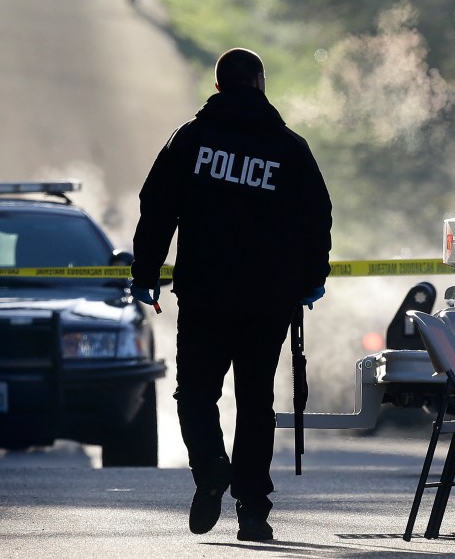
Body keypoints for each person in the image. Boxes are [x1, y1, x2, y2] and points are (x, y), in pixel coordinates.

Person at [130, 47, 332, 541]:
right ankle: (254, 513)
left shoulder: (192, 140)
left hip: (205, 296)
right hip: (268, 302)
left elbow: (156, 207)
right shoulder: (290, 148)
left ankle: (211, 469)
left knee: (196, 393)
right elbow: (317, 217)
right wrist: (311, 278)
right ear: (260, 84)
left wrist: (146, 273)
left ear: (218, 88)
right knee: (255, 402)